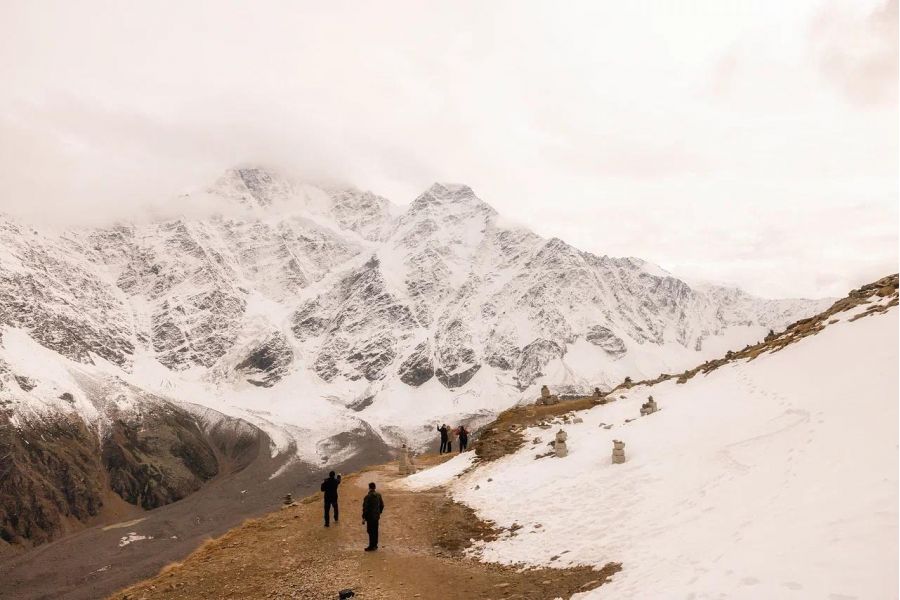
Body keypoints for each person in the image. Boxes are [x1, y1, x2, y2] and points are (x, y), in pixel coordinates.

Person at [361, 482, 385, 551]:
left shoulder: (367, 497)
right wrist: (379, 512)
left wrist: (363, 517)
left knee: (370, 531)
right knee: (375, 531)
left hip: (370, 517)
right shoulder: (378, 495)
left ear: (369, 488)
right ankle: (375, 545)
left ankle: (371, 546)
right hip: (376, 516)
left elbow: (365, 508)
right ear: (375, 487)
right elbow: (382, 505)